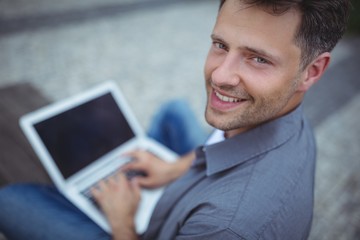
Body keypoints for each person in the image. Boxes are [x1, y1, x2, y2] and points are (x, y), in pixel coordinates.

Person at [0, 0, 350, 239]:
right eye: (221, 45)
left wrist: (122, 221)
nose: (220, 76)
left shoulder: (226, 227)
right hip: (191, 189)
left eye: (258, 59)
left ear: (312, 71)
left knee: (12, 200)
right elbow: (223, 144)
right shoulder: (283, 115)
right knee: (174, 112)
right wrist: (175, 169)